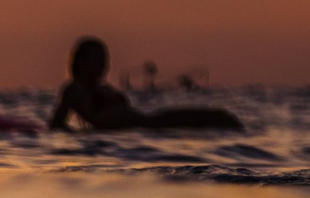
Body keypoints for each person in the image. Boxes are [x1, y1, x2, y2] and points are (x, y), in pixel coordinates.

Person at [48, 37, 243, 132]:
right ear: (81, 63)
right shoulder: (75, 89)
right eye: (97, 59)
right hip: (141, 127)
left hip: (144, 124)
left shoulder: (106, 90)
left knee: (218, 118)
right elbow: (56, 125)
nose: (104, 65)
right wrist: (87, 136)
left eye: (105, 59)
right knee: (208, 120)